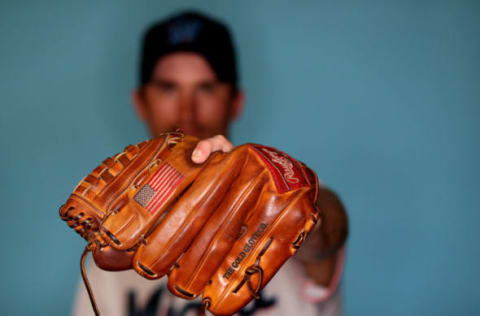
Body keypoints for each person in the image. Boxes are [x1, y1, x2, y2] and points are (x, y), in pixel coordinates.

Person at [73, 11, 348, 316]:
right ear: (141, 102)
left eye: (206, 88)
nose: (187, 111)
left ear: (236, 102)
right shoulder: (113, 238)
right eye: (168, 88)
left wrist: (299, 212)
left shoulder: (280, 195)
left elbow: (329, 233)